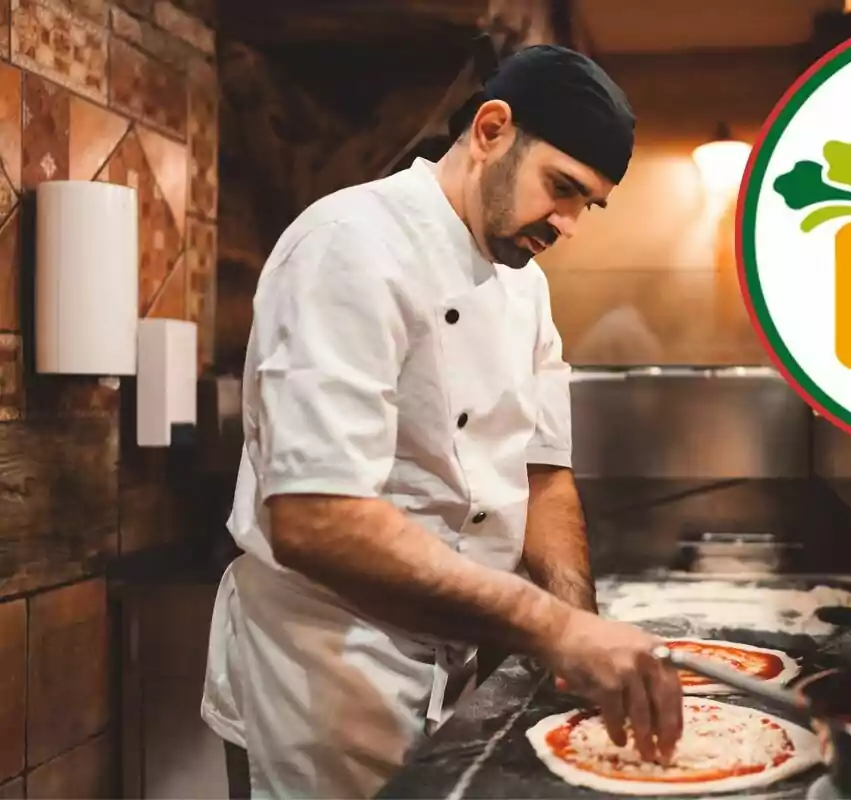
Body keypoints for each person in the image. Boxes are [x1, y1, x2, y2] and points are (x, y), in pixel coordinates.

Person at [200, 44, 684, 798]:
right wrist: (551, 629)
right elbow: (316, 517)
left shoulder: (524, 290)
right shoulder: (349, 244)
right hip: (325, 669)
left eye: (588, 203)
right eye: (562, 188)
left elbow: (543, 473)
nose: (569, 224)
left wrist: (576, 629)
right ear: (491, 129)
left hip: (455, 655)